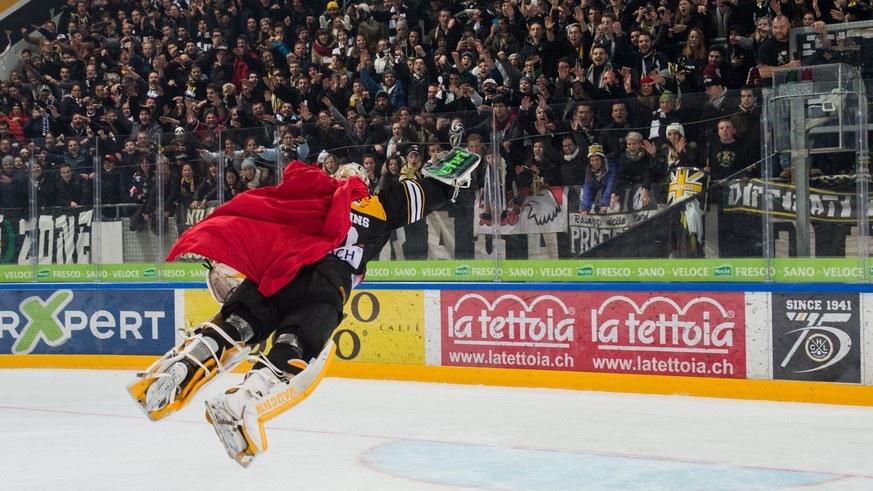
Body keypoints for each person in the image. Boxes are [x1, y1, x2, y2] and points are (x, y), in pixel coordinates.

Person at [128, 151, 481, 466]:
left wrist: (237, 265)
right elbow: (426, 192)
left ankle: (185, 363)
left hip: (280, 270)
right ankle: (244, 399)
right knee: (292, 347)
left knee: (238, 324)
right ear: (363, 183)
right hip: (326, 287)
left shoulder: (309, 190)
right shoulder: (376, 205)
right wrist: (453, 180)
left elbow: (261, 210)